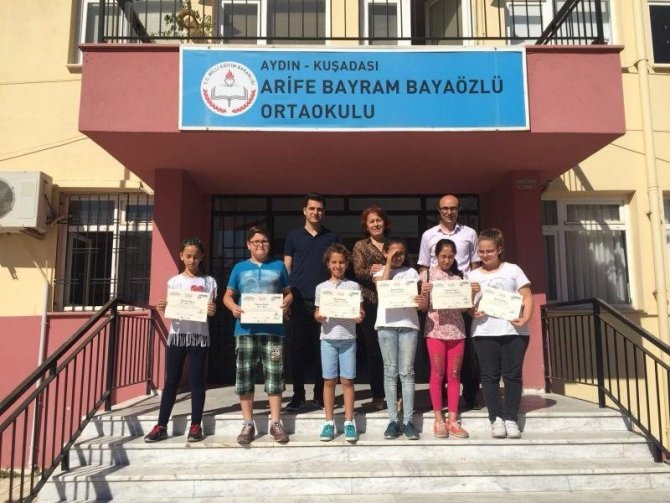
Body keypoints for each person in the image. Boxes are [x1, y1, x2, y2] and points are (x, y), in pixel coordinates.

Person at [223, 226, 293, 444]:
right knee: (245, 376)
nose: (260, 245)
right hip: (245, 331)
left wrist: (285, 303)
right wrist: (233, 307)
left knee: (274, 375)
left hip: (274, 331)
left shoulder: (279, 266)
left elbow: (288, 293)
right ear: (248, 244)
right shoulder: (239, 268)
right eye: (256, 241)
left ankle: (276, 423)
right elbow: (227, 296)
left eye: (264, 241)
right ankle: (248, 423)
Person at [144, 237, 217, 443]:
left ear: (202, 257)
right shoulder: (174, 282)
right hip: (177, 335)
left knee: (197, 380)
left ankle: (195, 425)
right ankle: (161, 425)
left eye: (196, 256)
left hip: (199, 336)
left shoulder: (209, 282)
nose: (192, 260)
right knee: (171, 381)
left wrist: (212, 310)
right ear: (181, 256)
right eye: (189, 256)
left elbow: (211, 308)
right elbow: (172, 307)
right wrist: (164, 307)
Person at [418, 194, 481, 410]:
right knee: (438, 360)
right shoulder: (428, 235)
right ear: (439, 210)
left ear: (458, 210)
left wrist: (472, 293)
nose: (449, 211)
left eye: (453, 208)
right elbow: (424, 266)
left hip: (461, 297)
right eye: (445, 208)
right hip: (436, 303)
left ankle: (470, 396)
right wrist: (425, 289)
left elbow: (474, 265)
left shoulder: (470, 233)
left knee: (468, 353)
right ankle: (442, 397)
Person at [468, 228, 533, 439]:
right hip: (484, 331)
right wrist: (471, 308)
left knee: (512, 376)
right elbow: (467, 306)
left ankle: (511, 418)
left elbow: (527, 296)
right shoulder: (473, 275)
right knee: (489, 376)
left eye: (489, 251)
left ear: (499, 250)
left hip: (513, 331)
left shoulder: (513, 270)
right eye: (481, 251)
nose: (485, 255)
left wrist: (526, 318)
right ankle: (496, 418)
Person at [284, 193, 340, 411]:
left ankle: (319, 394)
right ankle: (298, 394)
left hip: (325, 301)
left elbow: (337, 267)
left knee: (322, 349)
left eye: (319, 209)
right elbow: (287, 268)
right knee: (296, 349)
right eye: (312, 208)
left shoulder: (332, 237)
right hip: (298, 300)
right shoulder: (293, 237)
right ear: (304, 211)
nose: (316, 212)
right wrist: (286, 295)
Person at [374, 237, 427, 440]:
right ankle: (392, 420)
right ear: (385, 253)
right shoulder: (379, 272)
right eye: (394, 253)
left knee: (407, 373)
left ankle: (408, 421)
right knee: (390, 372)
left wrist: (420, 300)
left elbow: (419, 302)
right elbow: (381, 287)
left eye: (401, 253)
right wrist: (388, 262)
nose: (398, 257)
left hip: (408, 325)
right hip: (386, 326)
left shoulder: (412, 272)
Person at [419, 239, 473, 439]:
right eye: (443, 256)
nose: (447, 260)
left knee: (454, 374)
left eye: (450, 256)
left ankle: (453, 419)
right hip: (435, 331)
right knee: (437, 374)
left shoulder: (461, 276)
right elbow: (423, 308)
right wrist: (423, 293)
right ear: (436, 255)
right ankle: (438, 419)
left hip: (457, 331)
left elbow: (465, 309)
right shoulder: (426, 275)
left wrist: (471, 294)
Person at [314, 244, 364, 443]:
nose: (338, 265)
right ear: (328, 264)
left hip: (348, 339)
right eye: (334, 262)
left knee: (348, 381)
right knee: (329, 381)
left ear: (347, 264)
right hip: (327, 339)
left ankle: (349, 421)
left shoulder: (353, 287)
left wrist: (360, 316)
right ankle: (329, 422)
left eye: (341, 262)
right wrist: (318, 316)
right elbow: (317, 312)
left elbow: (360, 311)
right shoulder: (321, 288)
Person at [351, 206, 389, 411]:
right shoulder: (360, 246)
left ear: (385, 222)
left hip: (393, 303)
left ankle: (397, 393)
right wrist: (371, 270)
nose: (376, 224)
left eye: (378, 220)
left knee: (393, 351)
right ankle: (378, 394)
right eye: (371, 221)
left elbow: (405, 265)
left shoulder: (393, 243)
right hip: (370, 301)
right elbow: (357, 271)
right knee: (374, 350)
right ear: (366, 225)